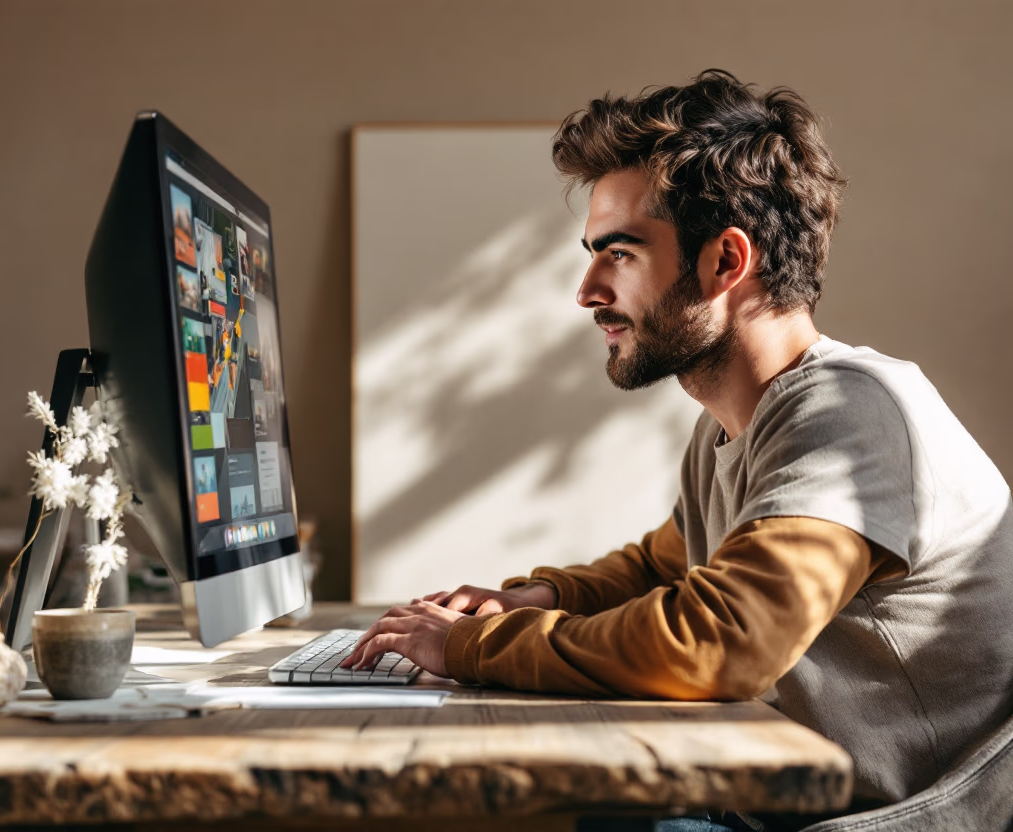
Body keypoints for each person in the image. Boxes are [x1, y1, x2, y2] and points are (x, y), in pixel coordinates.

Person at [342, 70, 1013, 824]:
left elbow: (724, 641)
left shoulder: (848, 413)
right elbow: (663, 564)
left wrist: (475, 644)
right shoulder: (735, 422)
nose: (587, 290)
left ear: (726, 261)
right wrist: (538, 597)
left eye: (620, 254)